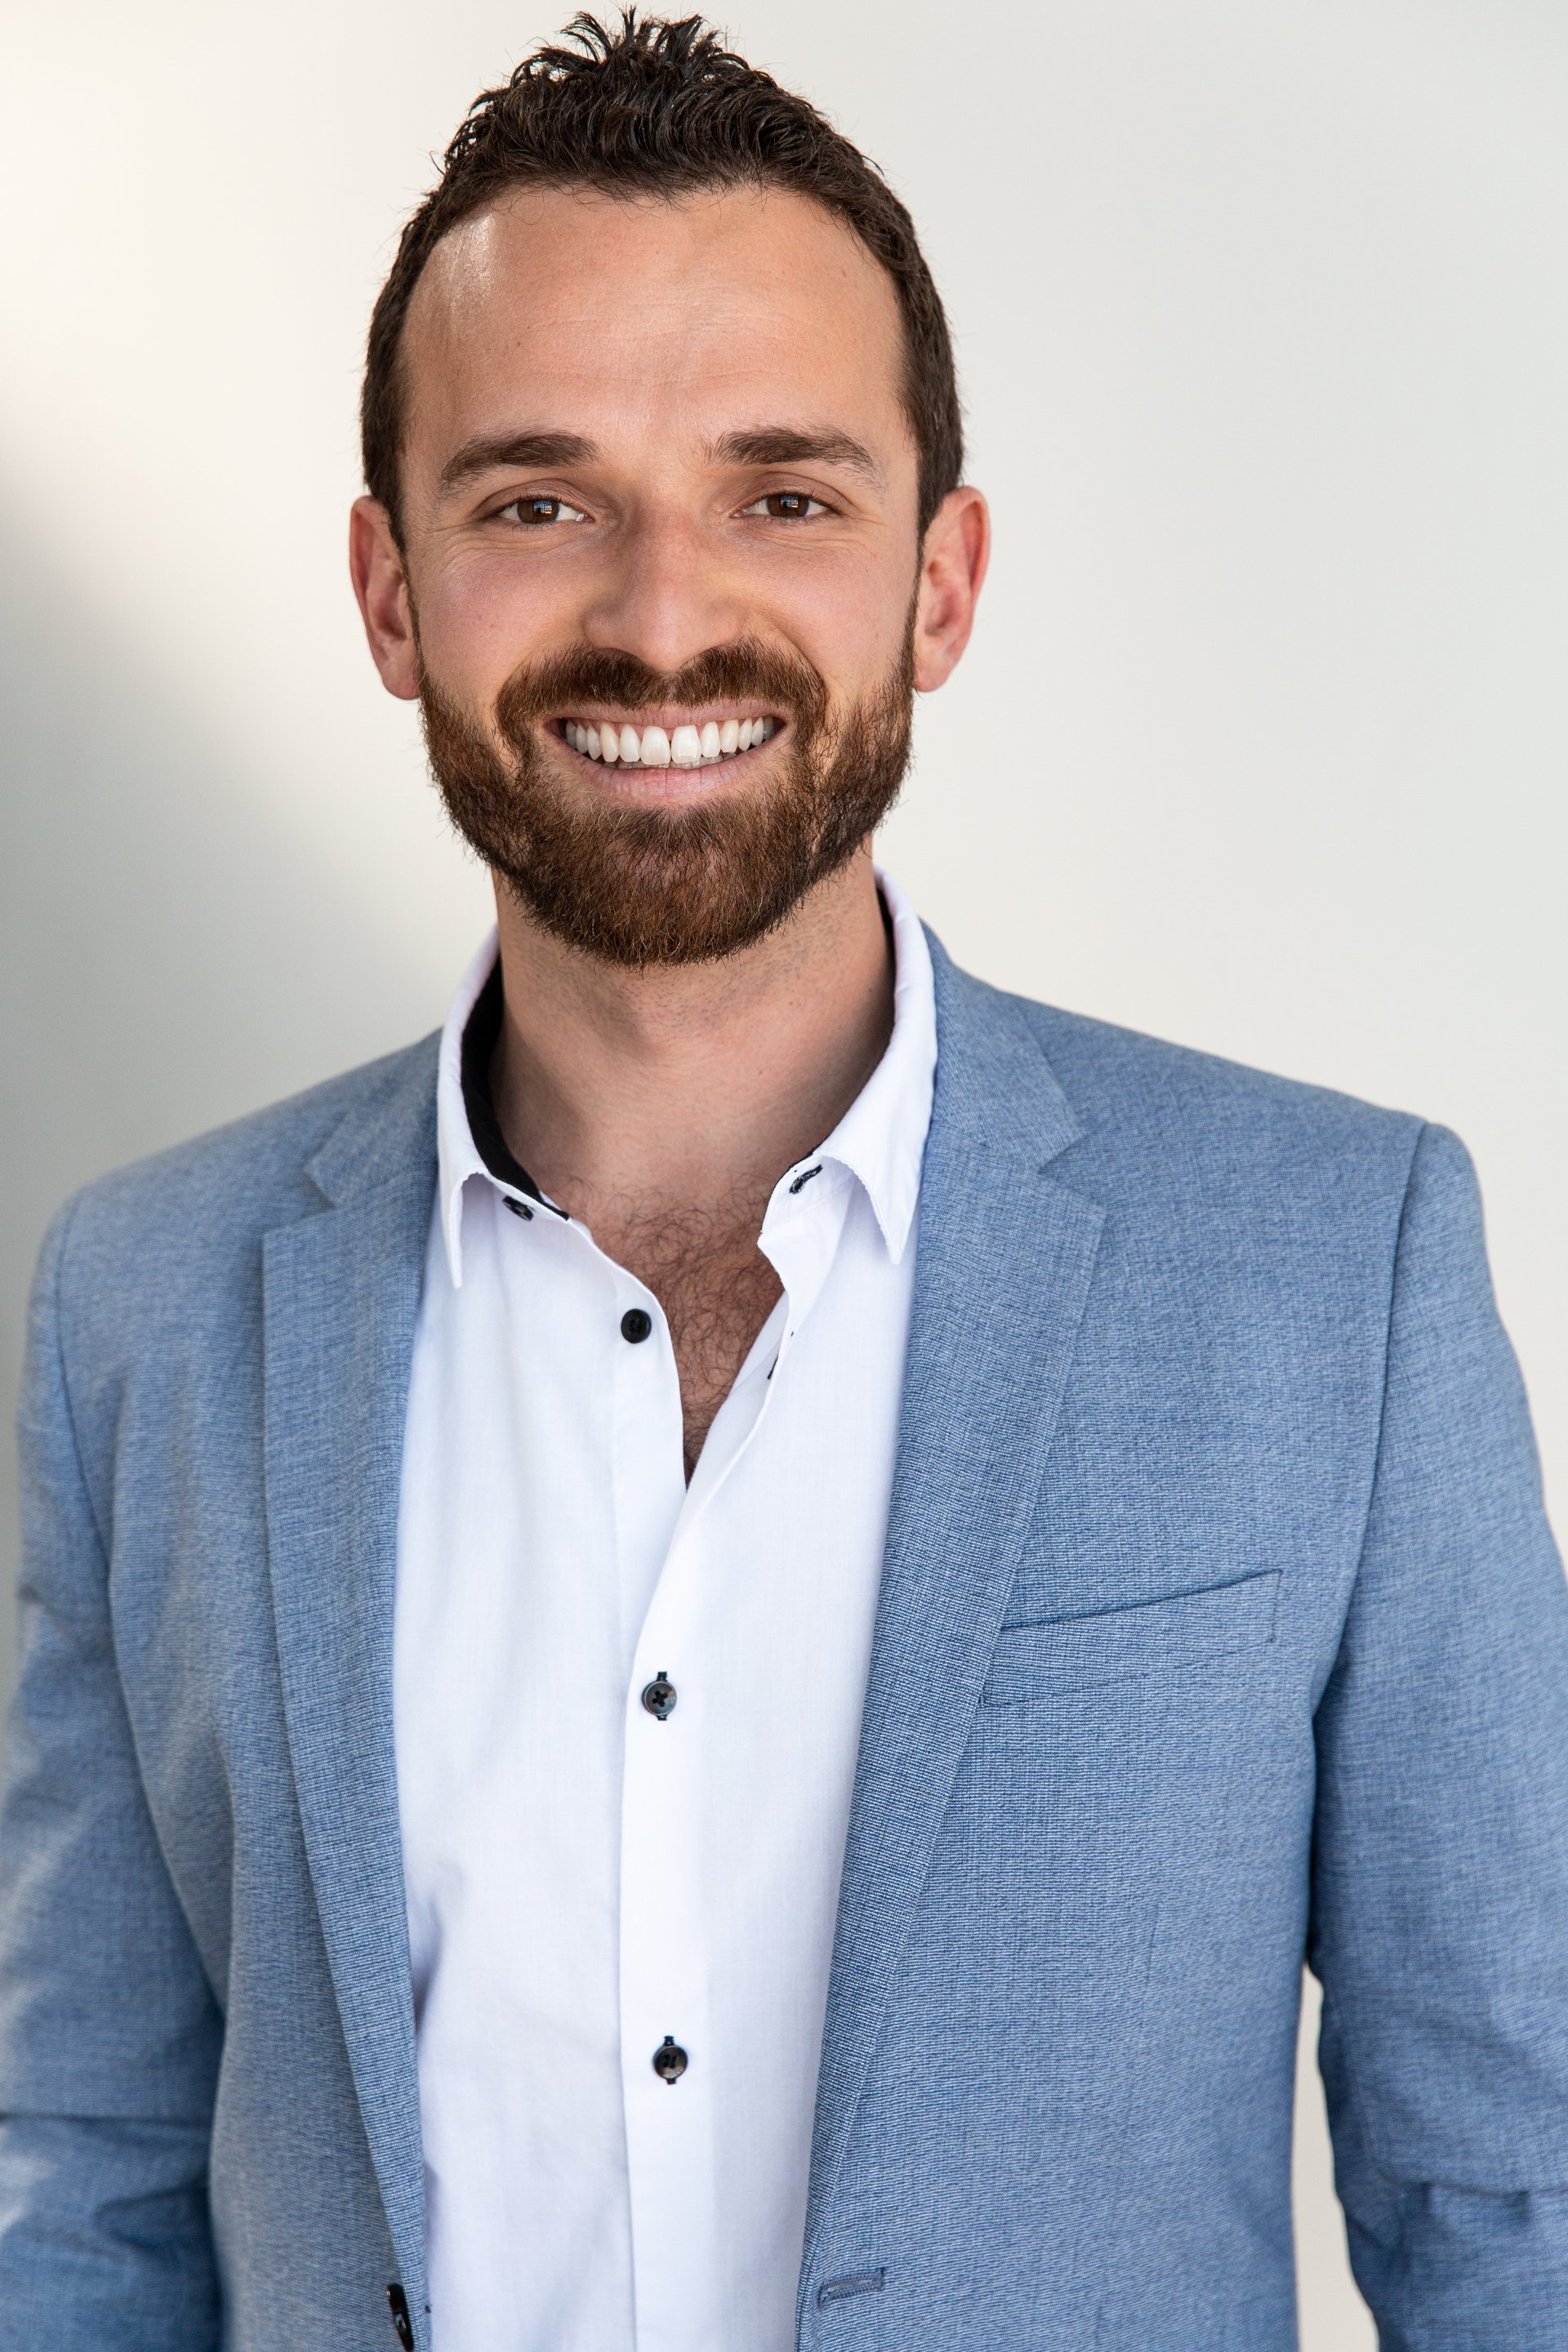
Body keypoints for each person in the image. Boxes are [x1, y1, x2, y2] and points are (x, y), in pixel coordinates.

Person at [2, 12, 1567, 2348]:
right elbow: (79, 2206)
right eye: (538, 502)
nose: (662, 618)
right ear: (389, 590)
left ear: (941, 581)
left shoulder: (1337, 1278)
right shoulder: (144, 1313)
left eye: (784, 497)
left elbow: (1517, 2205)